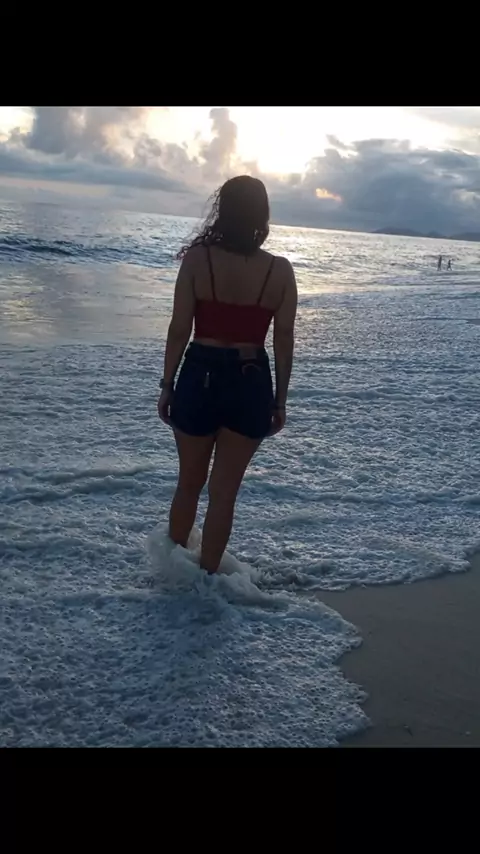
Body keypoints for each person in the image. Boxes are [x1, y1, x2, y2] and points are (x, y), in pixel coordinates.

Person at [157, 175, 298, 574]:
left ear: (223, 210)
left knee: (189, 483)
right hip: (251, 381)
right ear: (262, 215)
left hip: (199, 374)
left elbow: (179, 328)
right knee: (224, 494)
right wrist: (280, 401)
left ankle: (171, 576)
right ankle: (207, 581)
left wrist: (167, 385)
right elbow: (284, 340)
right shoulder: (280, 271)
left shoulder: (198, 259)